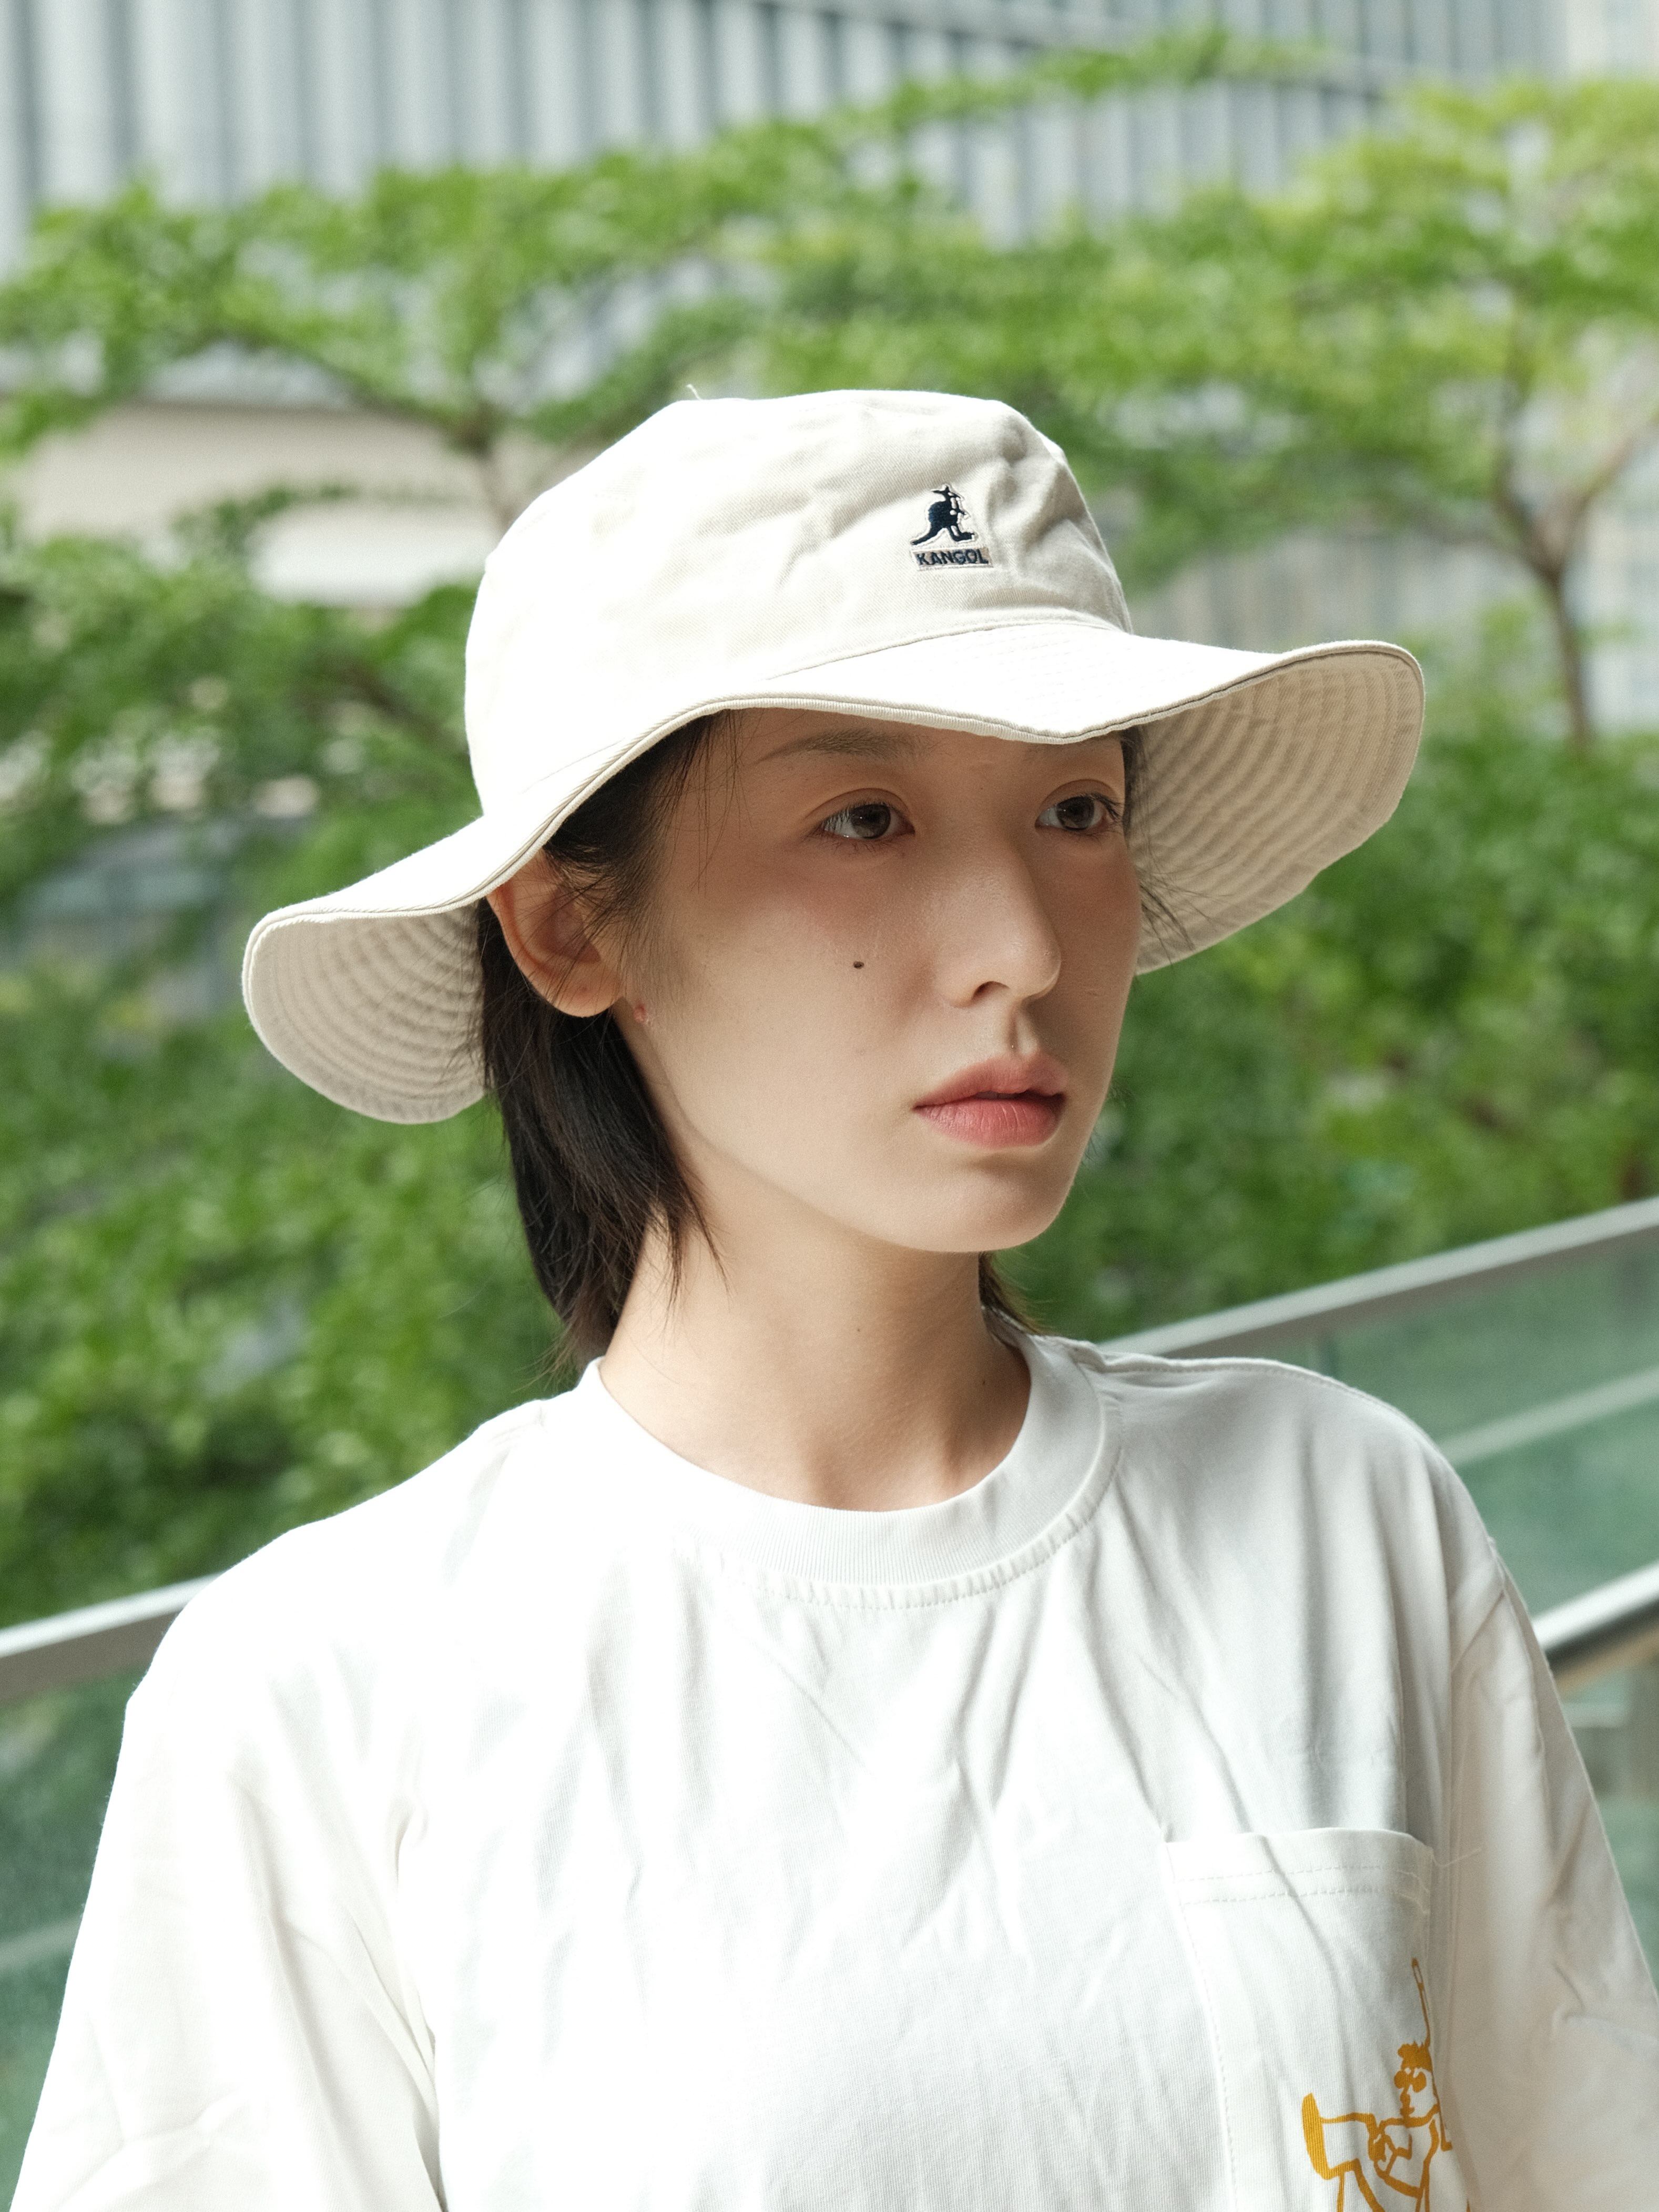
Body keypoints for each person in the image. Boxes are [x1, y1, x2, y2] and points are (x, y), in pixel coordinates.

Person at [15, 390, 1657, 2211]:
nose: (1021, 948)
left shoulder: (1338, 1510)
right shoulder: (331, 1689)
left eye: (1076, 810)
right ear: (570, 928)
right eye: (863, 817)